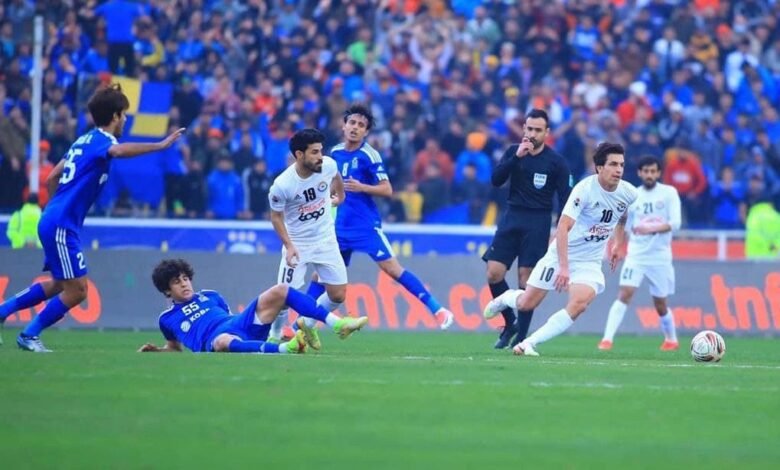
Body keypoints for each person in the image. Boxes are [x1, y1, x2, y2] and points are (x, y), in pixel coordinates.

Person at [0, 83, 185, 352]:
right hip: (61, 224)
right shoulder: (103, 141)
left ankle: (3, 312)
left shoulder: (82, 141)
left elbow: (52, 177)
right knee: (78, 290)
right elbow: (117, 152)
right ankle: (29, 334)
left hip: (55, 219)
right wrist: (160, 145)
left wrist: (58, 208)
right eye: (124, 115)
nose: (125, 120)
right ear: (115, 116)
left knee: (59, 284)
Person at [484, 142, 638, 357]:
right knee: (527, 303)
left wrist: (617, 243)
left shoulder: (629, 192)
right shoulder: (584, 190)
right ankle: (505, 298)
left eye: (621, 164)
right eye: (613, 164)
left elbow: (622, 214)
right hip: (560, 255)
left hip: (589, 261)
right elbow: (563, 227)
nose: (619, 169)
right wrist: (564, 268)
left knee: (579, 304)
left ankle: (528, 343)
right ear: (599, 167)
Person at [319, 104, 454, 330]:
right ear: (343, 126)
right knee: (321, 277)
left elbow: (387, 189)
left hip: (364, 225)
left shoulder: (369, 155)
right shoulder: (334, 154)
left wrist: (362, 187)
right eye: (352, 123)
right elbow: (331, 185)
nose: (355, 128)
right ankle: (296, 327)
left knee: (392, 269)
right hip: (339, 226)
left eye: (361, 125)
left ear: (366, 132)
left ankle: (438, 309)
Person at [137, 259, 368, 354]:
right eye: (176, 282)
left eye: (185, 278)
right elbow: (174, 347)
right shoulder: (167, 319)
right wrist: (158, 351)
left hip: (237, 323)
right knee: (222, 341)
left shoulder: (210, 296)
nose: (184, 284)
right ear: (167, 290)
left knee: (281, 290)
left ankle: (338, 324)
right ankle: (286, 349)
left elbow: (229, 316)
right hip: (213, 340)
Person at [483, 109, 572, 349]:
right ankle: (510, 323)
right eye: (529, 129)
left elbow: (566, 199)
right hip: (512, 216)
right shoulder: (514, 152)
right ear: (524, 128)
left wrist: (560, 230)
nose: (532, 134)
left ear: (547, 132)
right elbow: (496, 180)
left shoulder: (556, 162)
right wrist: (516, 158)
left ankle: (521, 339)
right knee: (493, 273)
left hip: (538, 222)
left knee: (526, 280)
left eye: (538, 130)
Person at [267, 128, 347, 350]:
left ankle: (307, 323)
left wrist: (340, 196)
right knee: (283, 297)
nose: (320, 156)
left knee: (338, 295)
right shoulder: (282, 185)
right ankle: (275, 336)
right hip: (298, 244)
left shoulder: (328, 165)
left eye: (321, 150)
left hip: (325, 239)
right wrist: (289, 246)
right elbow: (276, 217)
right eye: (314, 152)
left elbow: (336, 176)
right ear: (299, 155)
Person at [598, 156, 682, 351]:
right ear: (639, 173)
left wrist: (650, 229)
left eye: (653, 171)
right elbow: (624, 226)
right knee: (624, 293)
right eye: (646, 171)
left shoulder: (669, 193)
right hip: (636, 255)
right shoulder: (633, 196)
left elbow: (676, 223)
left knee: (660, 304)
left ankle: (671, 339)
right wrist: (617, 246)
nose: (649, 175)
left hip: (660, 256)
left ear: (658, 173)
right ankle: (607, 340)